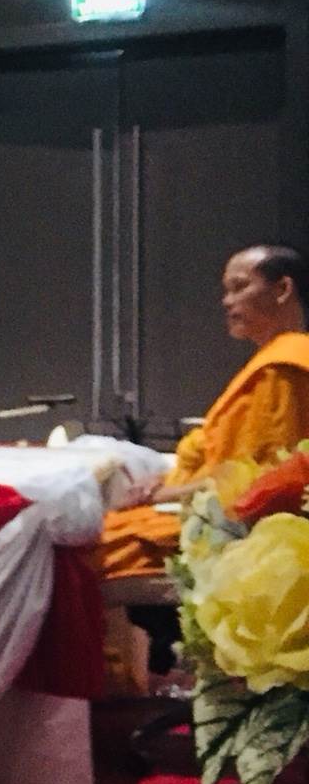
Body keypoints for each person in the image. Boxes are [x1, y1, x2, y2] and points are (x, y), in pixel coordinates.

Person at [101, 244, 309, 578]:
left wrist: (164, 494)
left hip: (229, 526)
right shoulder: (272, 361)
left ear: (283, 289)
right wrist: (163, 482)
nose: (227, 301)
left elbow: (261, 480)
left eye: (239, 287)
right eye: (226, 291)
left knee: (84, 548)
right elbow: (222, 456)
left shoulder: (284, 367)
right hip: (198, 506)